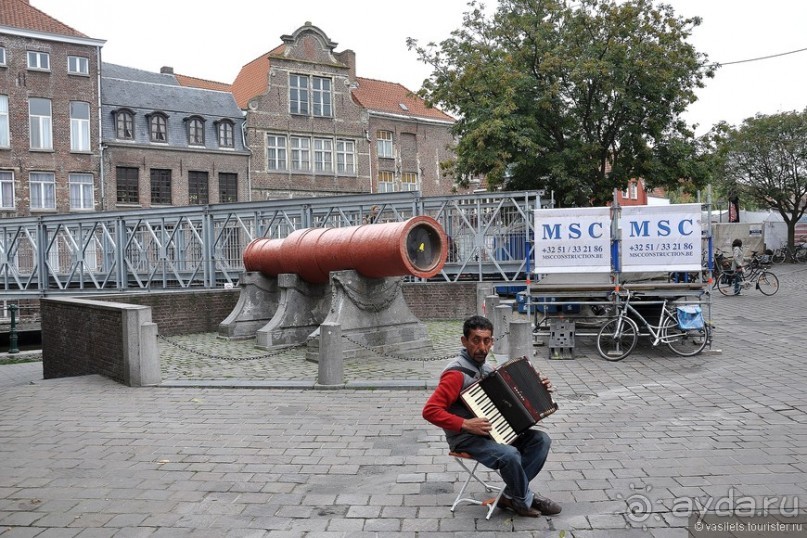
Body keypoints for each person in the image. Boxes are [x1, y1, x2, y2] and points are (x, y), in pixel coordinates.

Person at [422, 315, 561, 518]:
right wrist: (466, 424)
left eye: (487, 340)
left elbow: (509, 396)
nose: (482, 347)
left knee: (541, 440)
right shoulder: (456, 374)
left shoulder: (486, 369)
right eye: (476, 340)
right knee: (510, 455)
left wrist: (538, 387)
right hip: (467, 439)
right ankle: (523, 500)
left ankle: (513, 495)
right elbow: (430, 410)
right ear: (464, 341)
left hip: (493, 432)